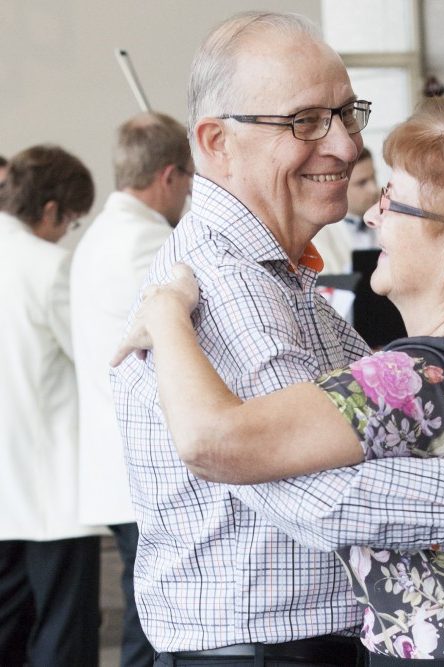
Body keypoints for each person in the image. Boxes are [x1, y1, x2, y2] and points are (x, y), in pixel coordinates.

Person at [111, 12, 444, 667]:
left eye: (347, 114)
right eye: (306, 121)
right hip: (268, 654)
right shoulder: (224, 286)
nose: (344, 146)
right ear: (216, 142)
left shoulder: (290, 286)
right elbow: (316, 495)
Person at [70, 112, 193, 666]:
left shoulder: (100, 235)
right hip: (145, 466)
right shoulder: (150, 243)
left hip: (114, 466)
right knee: (154, 631)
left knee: (146, 627)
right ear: (169, 175)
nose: (190, 193)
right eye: (189, 179)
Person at [0, 145, 102, 665]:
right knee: (64, 637)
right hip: (50, 494)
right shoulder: (51, 266)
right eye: (72, 221)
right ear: (50, 210)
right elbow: (92, 357)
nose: (67, 233)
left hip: (7, 493)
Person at [313, 146, 378, 273]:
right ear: (338, 185)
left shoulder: (391, 219)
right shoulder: (319, 235)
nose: (374, 189)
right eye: (362, 183)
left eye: (373, 177)